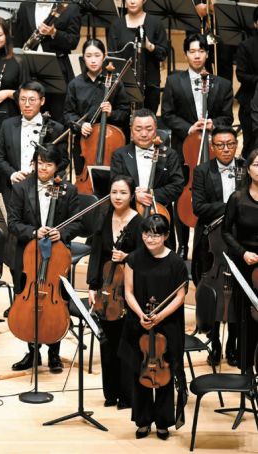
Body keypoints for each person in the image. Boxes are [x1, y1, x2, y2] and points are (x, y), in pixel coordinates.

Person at [7, 145, 81, 373]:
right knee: (28, 302)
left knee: (56, 301)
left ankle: (54, 353)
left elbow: (77, 223)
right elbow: (13, 222)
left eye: (48, 164)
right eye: (40, 163)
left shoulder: (69, 190)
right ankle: (32, 352)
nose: (43, 168)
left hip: (57, 256)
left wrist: (63, 233)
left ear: (57, 167)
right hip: (27, 255)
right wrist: (33, 232)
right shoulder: (21, 188)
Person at [161, 33, 233, 259]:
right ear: (186, 54)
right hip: (184, 151)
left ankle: (211, 244)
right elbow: (167, 114)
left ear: (207, 54)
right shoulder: (174, 81)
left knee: (212, 196)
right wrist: (188, 128)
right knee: (181, 195)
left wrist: (214, 124)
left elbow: (228, 117)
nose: (197, 56)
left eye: (201, 51)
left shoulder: (222, 84)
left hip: (211, 148)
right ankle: (182, 245)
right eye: (192, 51)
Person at [119, 214, 188, 440]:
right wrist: (141, 314)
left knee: (165, 373)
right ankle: (143, 420)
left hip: (168, 325)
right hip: (139, 322)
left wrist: (159, 317)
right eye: (147, 234)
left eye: (156, 235)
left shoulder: (176, 263)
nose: (150, 239)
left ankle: (163, 422)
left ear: (166, 236)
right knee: (140, 372)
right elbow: (128, 292)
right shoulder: (133, 259)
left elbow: (180, 297)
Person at [86, 175, 142, 409]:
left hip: (129, 289)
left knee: (125, 343)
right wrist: (92, 286)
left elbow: (147, 255)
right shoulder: (104, 216)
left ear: (132, 195)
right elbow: (97, 252)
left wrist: (128, 256)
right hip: (107, 289)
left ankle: (127, 396)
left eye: (123, 193)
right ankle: (110, 393)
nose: (118, 197)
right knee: (107, 342)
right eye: (114, 192)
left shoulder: (138, 222)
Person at [191, 127, 243, 367]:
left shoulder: (245, 168)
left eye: (230, 144)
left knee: (236, 293)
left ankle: (233, 344)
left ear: (236, 145)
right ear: (212, 147)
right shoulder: (202, 171)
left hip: (240, 239)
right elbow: (199, 208)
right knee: (211, 292)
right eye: (220, 145)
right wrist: (231, 206)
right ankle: (214, 344)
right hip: (210, 240)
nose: (226, 149)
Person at [110, 109, 184, 251]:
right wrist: (133, 195)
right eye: (138, 129)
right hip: (128, 215)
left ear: (156, 129)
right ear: (131, 130)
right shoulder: (120, 155)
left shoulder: (169, 154)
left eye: (149, 129)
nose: (144, 134)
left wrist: (152, 194)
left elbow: (177, 185)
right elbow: (114, 183)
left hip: (159, 214)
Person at [62, 39, 131, 177]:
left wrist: (111, 113)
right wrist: (81, 125)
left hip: (110, 142)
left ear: (104, 56)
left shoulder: (115, 82)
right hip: (84, 142)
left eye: (97, 55)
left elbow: (125, 112)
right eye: (88, 56)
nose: (93, 60)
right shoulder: (75, 84)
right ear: (83, 58)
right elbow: (68, 113)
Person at [0, 80, 68, 207]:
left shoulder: (56, 128)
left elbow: (63, 160)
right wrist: (12, 173)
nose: (27, 104)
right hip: (13, 188)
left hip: (44, 188)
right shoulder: (7, 125)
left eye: (32, 100)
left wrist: (43, 172)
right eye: (22, 99)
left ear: (42, 101)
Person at [13, 0, 81, 120]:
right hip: (29, 68)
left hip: (57, 69)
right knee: (29, 114)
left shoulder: (69, 8)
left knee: (58, 115)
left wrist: (54, 33)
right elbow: (18, 40)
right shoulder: (25, 6)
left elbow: (73, 42)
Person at [222, 148, 258, 374]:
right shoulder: (237, 198)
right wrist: (243, 253)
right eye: (256, 165)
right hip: (245, 263)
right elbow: (226, 232)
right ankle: (246, 370)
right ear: (248, 169)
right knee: (246, 318)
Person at [107, 0, 168, 113]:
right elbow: (112, 56)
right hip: (123, 87)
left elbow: (163, 54)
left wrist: (150, 46)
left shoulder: (155, 23)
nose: (132, 1)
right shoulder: (116, 25)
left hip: (149, 86)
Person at [234, 9, 258, 153]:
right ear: (255, 24)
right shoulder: (246, 46)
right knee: (251, 145)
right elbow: (241, 75)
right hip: (250, 101)